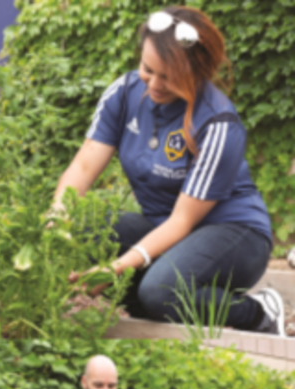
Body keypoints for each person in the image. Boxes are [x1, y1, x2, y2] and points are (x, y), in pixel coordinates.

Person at [54, 6, 282, 334]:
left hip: (235, 234)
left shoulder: (218, 122)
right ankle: (163, 294)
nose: (154, 85)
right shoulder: (124, 93)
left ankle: (258, 312)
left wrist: (113, 269)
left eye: (169, 77)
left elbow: (182, 221)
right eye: (148, 69)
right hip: (163, 226)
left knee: (160, 291)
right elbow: (83, 167)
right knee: (76, 228)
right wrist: (54, 224)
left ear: (197, 72)